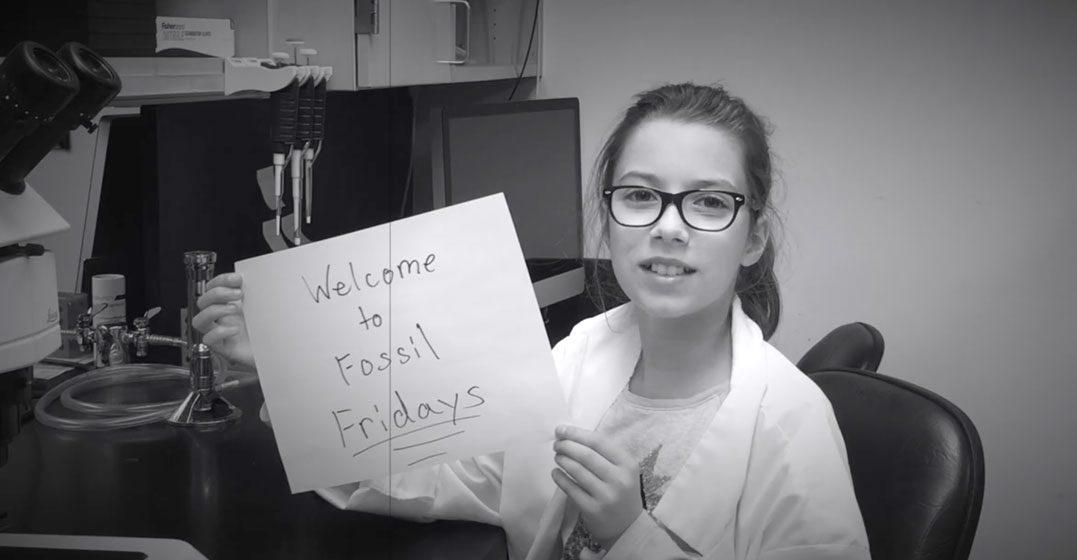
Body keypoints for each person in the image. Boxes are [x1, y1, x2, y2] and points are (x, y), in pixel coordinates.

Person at [193, 82, 871, 560]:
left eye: (709, 202)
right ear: (608, 220)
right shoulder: (579, 358)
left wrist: (629, 533)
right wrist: (287, 364)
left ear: (751, 237)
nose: (668, 228)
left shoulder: (790, 425)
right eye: (640, 196)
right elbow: (442, 472)